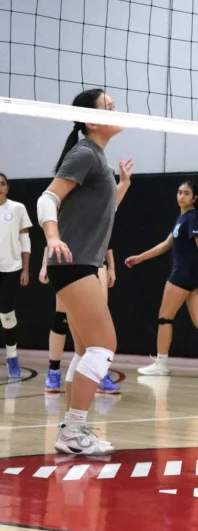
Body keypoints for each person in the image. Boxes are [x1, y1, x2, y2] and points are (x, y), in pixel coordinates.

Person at [37, 88, 133, 455]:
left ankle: (72, 429)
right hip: (72, 261)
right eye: (109, 107)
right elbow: (47, 198)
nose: (116, 111)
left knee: (83, 351)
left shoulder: (97, 159)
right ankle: (73, 430)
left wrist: (123, 186)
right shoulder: (85, 154)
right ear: (92, 121)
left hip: (81, 262)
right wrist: (52, 237)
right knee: (104, 346)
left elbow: (102, 211)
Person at [126, 180, 198, 378]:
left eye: (186, 193)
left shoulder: (192, 217)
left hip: (183, 274)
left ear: (194, 198)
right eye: (179, 192)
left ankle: (161, 363)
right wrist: (140, 258)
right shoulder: (182, 218)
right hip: (193, 276)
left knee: (165, 317)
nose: (181, 196)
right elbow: (166, 244)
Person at [40, 246, 119, 395]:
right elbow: (53, 235)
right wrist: (45, 264)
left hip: (96, 261)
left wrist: (111, 267)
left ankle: (100, 374)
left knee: (98, 318)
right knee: (62, 317)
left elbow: (107, 239)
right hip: (68, 260)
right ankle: (53, 371)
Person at [0, 172, 32, 380]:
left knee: (6, 314)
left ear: (7, 187)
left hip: (11, 269)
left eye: (2, 184)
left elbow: (25, 241)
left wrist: (25, 269)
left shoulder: (17, 208)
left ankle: (12, 357)